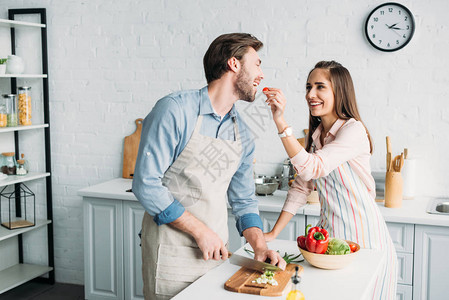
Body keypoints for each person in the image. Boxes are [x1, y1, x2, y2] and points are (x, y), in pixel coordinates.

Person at [132, 33, 286, 300]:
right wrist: (200, 231)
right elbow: (146, 185)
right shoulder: (175, 110)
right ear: (234, 64)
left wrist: (259, 247)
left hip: (217, 254)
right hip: (172, 254)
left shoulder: (243, 133)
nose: (261, 74)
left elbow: (244, 200)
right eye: (257, 64)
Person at [263, 61, 397, 299]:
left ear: (339, 92)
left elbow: (314, 168)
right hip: (329, 239)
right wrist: (273, 233)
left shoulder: (353, 131)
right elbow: (301, 187)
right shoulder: (316, 137)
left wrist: (281, 123)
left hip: (364, 239)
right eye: (308, 87)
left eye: (320, 87)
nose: (310, 94)